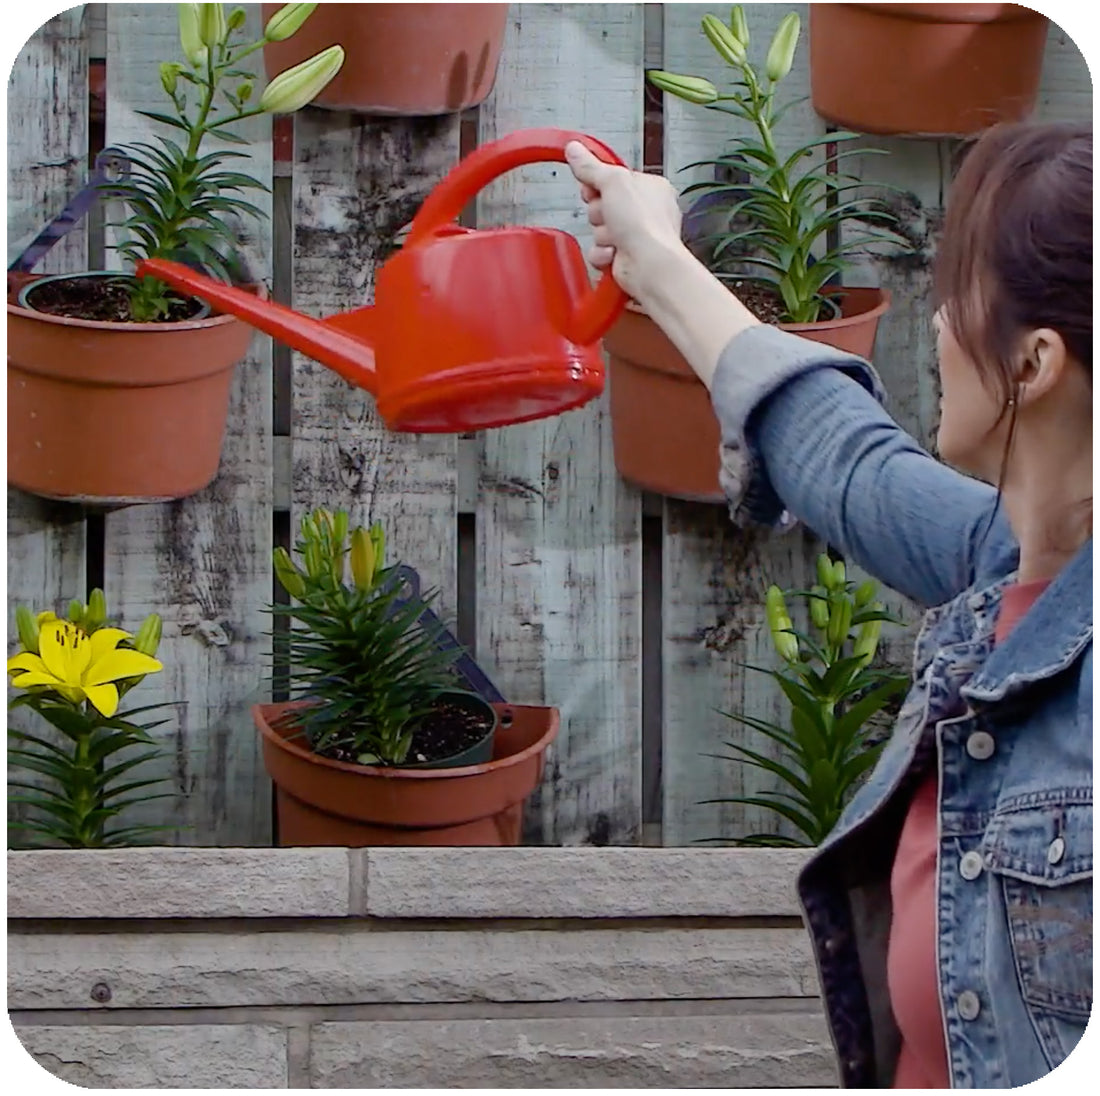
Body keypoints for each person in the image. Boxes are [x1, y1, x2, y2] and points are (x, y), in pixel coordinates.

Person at [563, 121, 1092, 1089]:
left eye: (953, 297)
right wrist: (654, 257)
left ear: (1033, 364)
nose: (932, 326)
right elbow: (839, 455)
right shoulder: (1004, 558)